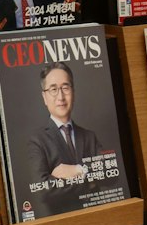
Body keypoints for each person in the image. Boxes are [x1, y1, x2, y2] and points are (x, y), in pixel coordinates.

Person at [27, 62, 106, 216]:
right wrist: (89, 180)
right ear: (44, 96)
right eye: (53, 89)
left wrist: (78, 170)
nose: (61, 96)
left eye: (65, 87)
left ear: (73, 92)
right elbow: (42, 190)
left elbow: (110, 175)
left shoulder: (89, 136)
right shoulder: (36, 141)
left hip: (95, 218)